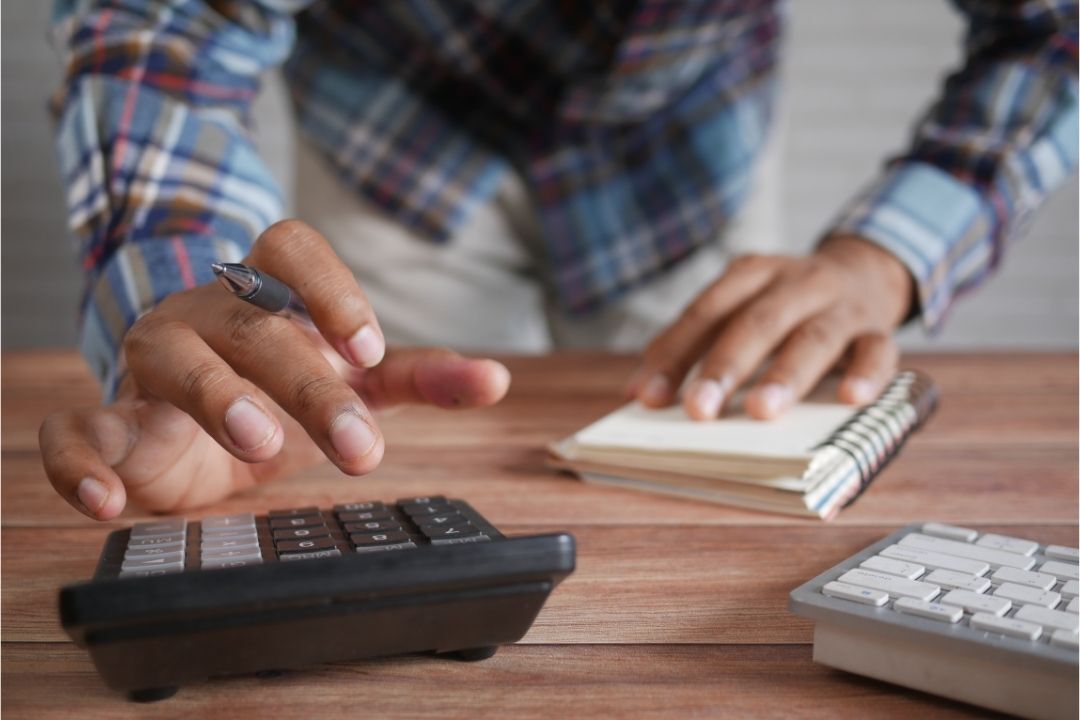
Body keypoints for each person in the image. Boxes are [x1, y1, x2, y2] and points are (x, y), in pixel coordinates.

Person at [39, 1, 1078, 520]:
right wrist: (174, 290)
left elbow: (1052, 28)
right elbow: (163, 28)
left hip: (683, 138)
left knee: (703, 461)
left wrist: (887, 255)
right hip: (396, 130)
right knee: (349, 420)